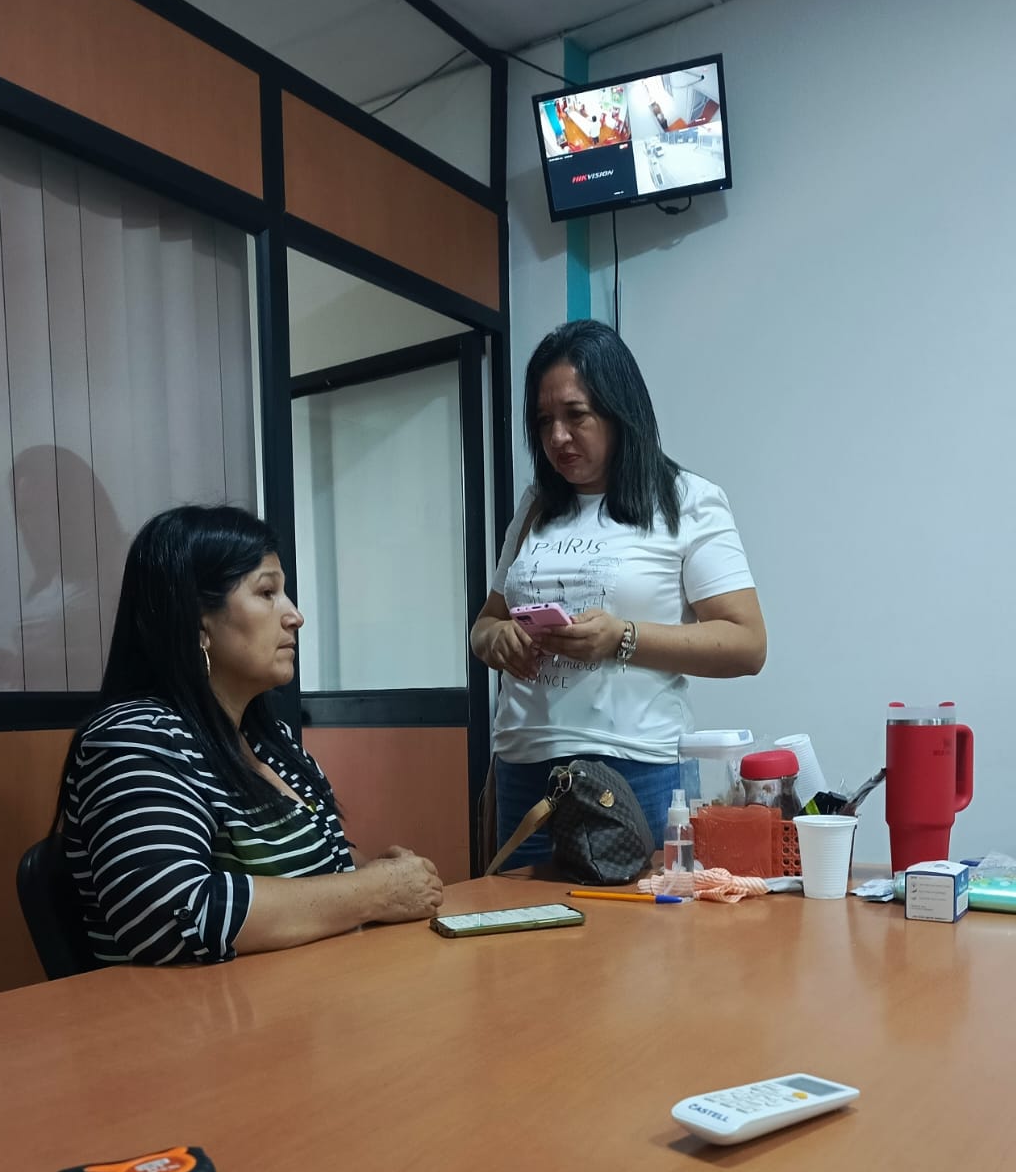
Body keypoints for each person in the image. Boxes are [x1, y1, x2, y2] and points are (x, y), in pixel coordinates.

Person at [55, 505, 443, 964]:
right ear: (199, 621)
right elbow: (171, 920)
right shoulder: (136, 739)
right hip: (195, 1008)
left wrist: (387, 874)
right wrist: (372, 892)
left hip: (307, 993)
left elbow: (327, 867)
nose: (295, 615)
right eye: (267, 593)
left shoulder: (269, 741)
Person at [470, 320, 766, 866]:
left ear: (619, 410)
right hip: (523, 769)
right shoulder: (536, 506)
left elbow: (747, 644)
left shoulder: (686, 501)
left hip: (637, 769)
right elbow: (485, 623)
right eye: (543, 421)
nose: (558, 437)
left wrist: (621, 638)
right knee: (520, 920)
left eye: (576, 415)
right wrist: (498, 640)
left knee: (637, 923)